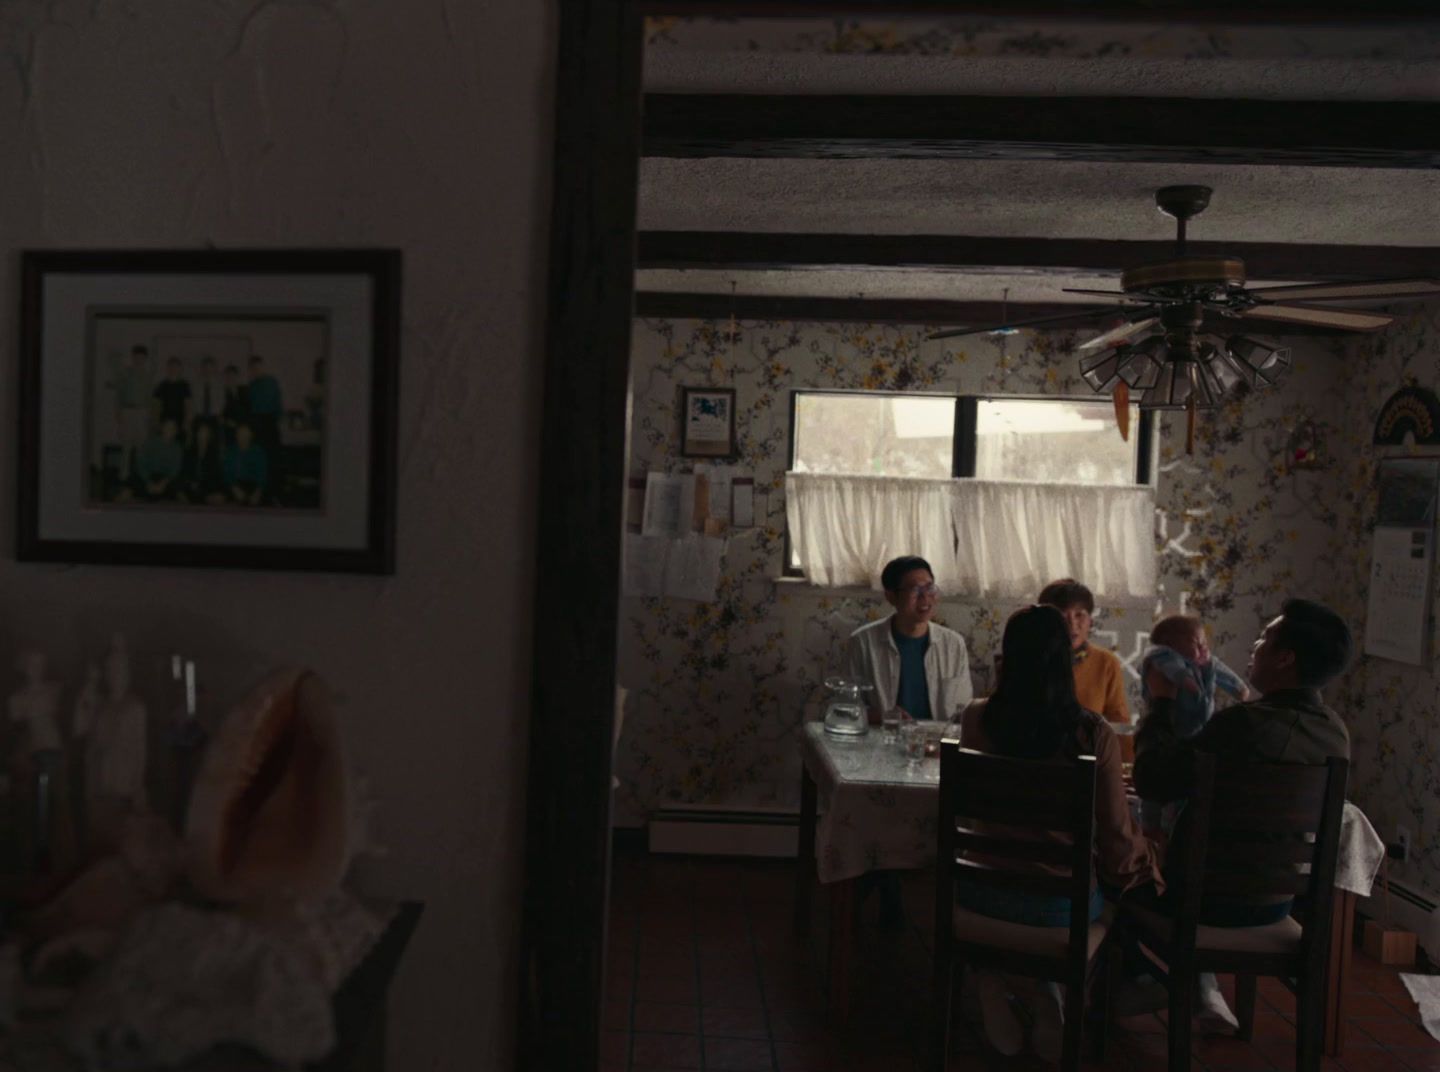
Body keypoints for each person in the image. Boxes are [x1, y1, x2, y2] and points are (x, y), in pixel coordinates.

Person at [1128, 598, 1353, 1032]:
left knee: (1114, 873)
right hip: (1274, 906)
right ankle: (1192, 989)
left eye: (1265, 638)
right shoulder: (1335, 733)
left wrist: (1160, 704)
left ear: (1286, 658)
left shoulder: (1244, 726)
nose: (1254, 645)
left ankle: (1139, 991)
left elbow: (1153, 779)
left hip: (1205, 904)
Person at [957, 605, 1160, 1061]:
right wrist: (1146, 865)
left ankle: (989, 978)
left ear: (1008, 656)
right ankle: (1055, 989)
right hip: (1058, 910)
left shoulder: (975, 719)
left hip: (981, 893)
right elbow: (1115, 838)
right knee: (1114, 897)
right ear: (1066, 659)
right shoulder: (1092, 734)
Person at [1138, 613, 1251, 837]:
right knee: (1155, 796)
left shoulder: (1205, 661)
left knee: (1175, 792)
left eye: (1204, 643)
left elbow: (1224, 673)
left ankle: (1168, 829)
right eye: (1194, 643)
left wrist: (1239, 688)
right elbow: (1174, 670)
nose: (1202, 649)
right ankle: (1151, 828)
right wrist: (1187, 682)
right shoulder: (1162, 655)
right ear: (1171, 645)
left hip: (1196, 731)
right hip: (1172, 728)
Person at [845, 555, 973, 724]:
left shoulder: (953, 644)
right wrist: (884, 718)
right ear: (891, 596)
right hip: (886, 740)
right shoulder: (862, 642)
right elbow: (847, 707)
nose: (925, 598)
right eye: (915, 590)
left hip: (937, 742)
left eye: (930, 588)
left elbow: (963, 708)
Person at [1038, 578, 1132, 759]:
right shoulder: (1031, 658)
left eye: (1079, 615)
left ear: (1090, 620)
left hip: (1089, 762)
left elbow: (1118, 723)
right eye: (1062, 617)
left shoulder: (1106, 662)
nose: (1072, 624)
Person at [112, 344, 153, 479]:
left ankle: (141, 477)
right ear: (133, 357)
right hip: (127, 411)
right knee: (126, 445)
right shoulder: (125, 373)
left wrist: (149, 416)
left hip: (142, 412)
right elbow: (119, 394)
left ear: (145, 358)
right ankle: (123, 476)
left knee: (141, 446)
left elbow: (149, 398)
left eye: (142, 357)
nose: (139, 360)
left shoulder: (148, 376)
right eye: (136, 357)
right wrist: (118, 413)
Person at [129, 419, 184, 500]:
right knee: (127, 489)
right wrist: (148, 482)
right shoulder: (150, 443)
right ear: (162, 428)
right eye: (167, 427)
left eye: (172, 428)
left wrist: (163, 484)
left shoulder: (177, 448)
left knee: (181, 493)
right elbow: (141, 463)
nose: (169, 430)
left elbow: (175, 470)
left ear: (176, 431)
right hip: (148, 476)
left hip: (166, 479)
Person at [177, 419, 227, 505]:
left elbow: (215, 476)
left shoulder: (213, 454)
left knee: (219, 496)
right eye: (200, 432)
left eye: (205, 433)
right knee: (179, 489)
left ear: (209, 436)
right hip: (191, 486)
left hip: (206, 488)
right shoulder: (189, 452)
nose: (202, 436)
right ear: (196, 434)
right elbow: (184, 472)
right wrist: (191, 483)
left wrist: (202, 485)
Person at [224, 421, 269, 505]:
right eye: (240, 434)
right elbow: (226, 473)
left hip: (253, 485)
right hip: (234, 485)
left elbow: (262, 474)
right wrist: (234, 488)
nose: (243, 437)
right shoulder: (230, 451)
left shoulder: (258, 452)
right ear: (236, 435)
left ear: (251, 435)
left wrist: (258, 492)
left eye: (245, 434)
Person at [152, 357, 193, 441]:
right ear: (167, 368)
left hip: (180, 420)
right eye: (171, 367)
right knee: (164, 444)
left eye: (176, 367)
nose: (173, 369)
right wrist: (156, 422)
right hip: (164, 419)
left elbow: (188, 405)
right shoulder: (161, 385)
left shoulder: (185, 385)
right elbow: (156, 405)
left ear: (180, 369)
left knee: (179, 444)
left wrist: (187, 422)